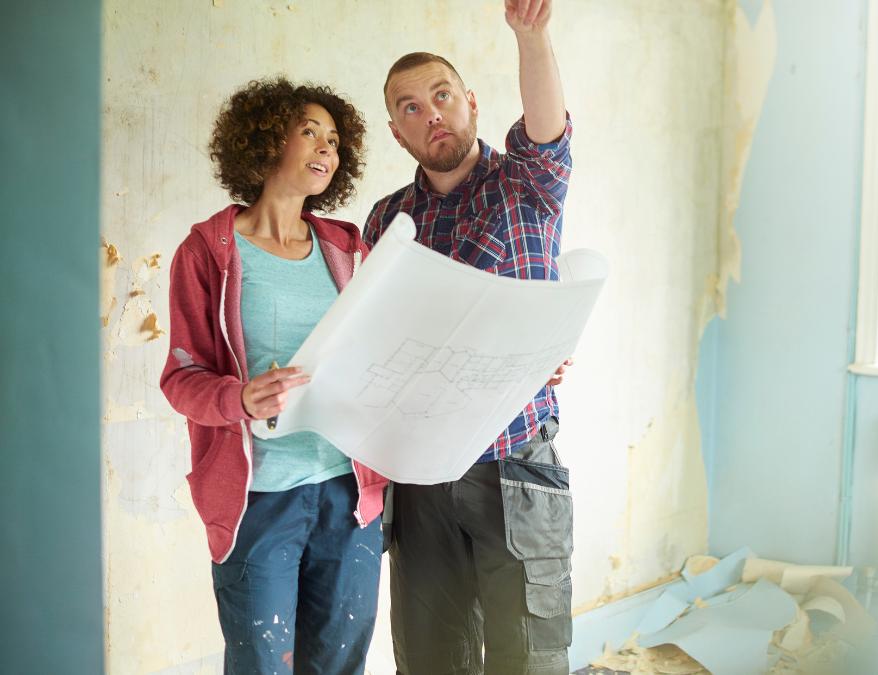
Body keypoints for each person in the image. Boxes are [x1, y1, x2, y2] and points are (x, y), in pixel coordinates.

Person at [362, 0, 574, 672]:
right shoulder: (386, 221)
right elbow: (375, 341)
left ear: (472, 103)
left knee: (526, 654)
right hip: (422, 472)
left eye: (442, 96)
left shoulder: (525, 184)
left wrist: (531, 38)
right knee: (431, 655)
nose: (432, 116)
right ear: (398, 133)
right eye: (411, 108)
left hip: (513, 459)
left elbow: (546, 130)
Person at [160, 77, 389, 674]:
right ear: (264, 142)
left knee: (340, 665)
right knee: (263, 664)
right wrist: (240, 397)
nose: (325, 148)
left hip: (350, 494)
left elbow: (383, 353)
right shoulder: (208, 251)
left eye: (334, 139)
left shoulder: (348, 248)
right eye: (308, 131)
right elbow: (181, 379)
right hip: (258, 498)